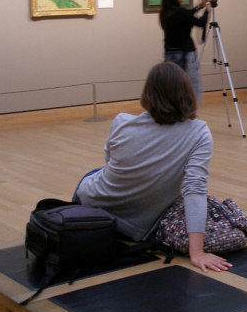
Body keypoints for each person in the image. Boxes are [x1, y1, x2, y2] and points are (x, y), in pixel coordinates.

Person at [73, 61, 231, 273]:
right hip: (138, 227)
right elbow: (194, 189)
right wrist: (197, 252)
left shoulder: (121, 122)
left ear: (148, 93)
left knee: (93, 173)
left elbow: (109, 161)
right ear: (187, 93)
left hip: (94, 206)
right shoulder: (198, 132)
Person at [159, 0, 209, 99]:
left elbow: (187, 15)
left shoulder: (165, 13)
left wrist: (200, 6)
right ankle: (190, 113)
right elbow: (200, 22)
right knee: (192, 87)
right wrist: (207, 9)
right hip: (185, 54)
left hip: (170, 55)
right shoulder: (180, 12)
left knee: (173, 86)